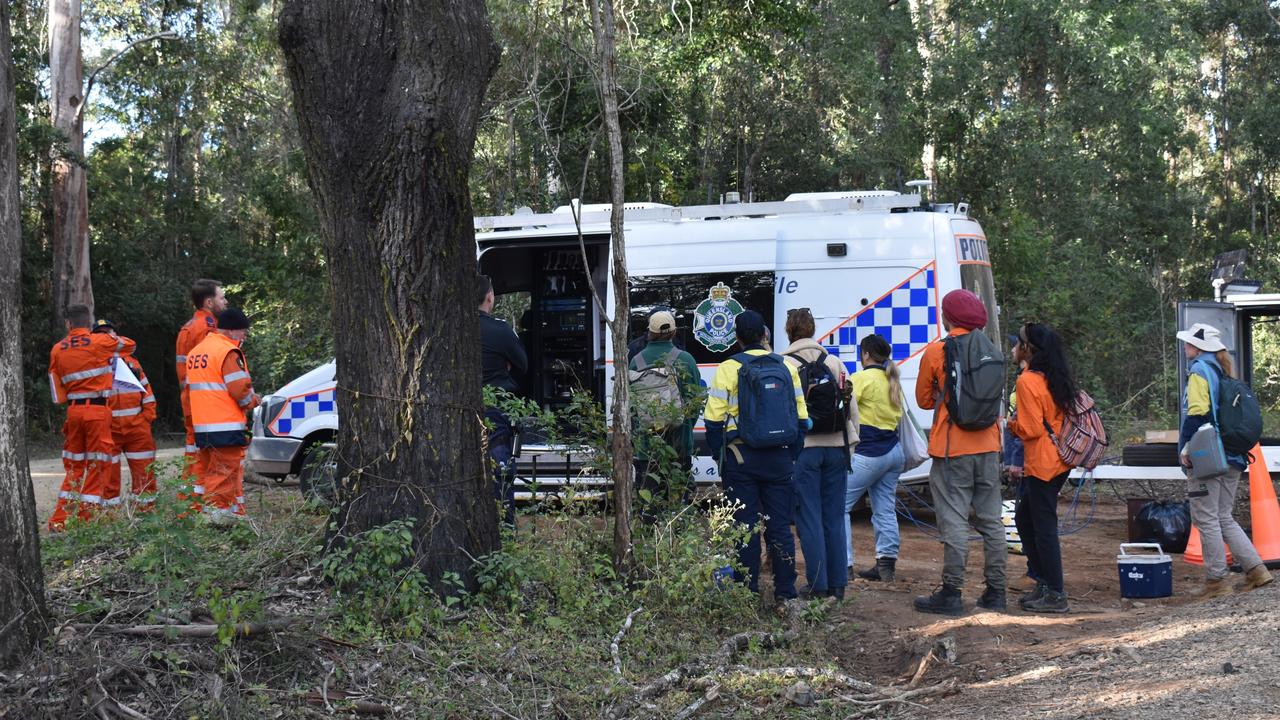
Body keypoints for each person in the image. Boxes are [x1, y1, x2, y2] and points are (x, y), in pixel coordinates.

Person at [704, 310, 809, 601]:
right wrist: (792, 454)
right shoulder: (787, 367)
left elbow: (713, 420)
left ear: (736, 338)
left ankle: (747, 591)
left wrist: (720, 456)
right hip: (779, 458)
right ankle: (786, 593)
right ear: (764, 335)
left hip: (741, 458)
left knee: (745, 526)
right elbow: (802, 418)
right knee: (779, 527)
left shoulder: (728, 368)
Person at [913, 289, 1006, 615]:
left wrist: (944, 391)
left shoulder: (938, 351)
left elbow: (925, 400)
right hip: (989, 446)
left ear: (948, 317)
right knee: (992, 522)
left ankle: (951, 592)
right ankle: (996, 592)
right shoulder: (990, 349)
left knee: (954, 522)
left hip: (953, 449)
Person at [1176, 322, 1275, 598]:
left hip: (1208, 456)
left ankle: (1217, 581)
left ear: (1199, 347)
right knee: (1223, 516)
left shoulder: (1199, 372)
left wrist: (1186, 448)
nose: (1185, 347)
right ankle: (1256, 570)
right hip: (1232, 456)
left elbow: (1197, 413)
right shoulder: (1222, 371)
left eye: (1188, 343)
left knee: (1206, 519)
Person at [783, 308, 858, 599]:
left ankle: (818, 583)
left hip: (805, 450)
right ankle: (838, 584)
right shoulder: (835, 362)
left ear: (789, 331)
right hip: (837, 448)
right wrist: (851, 441)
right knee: (834, 516)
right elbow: (851, 407)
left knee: (809, 517)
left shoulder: (785, 363)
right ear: (813, 330)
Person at [1009, 323, 1076, 613]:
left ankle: (1056, 593)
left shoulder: (1027, 380)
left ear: (1028, 350)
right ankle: (1045, 583)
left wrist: (1008, 424)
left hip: (1043, 463)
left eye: (1018, 342)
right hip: (1060, 460)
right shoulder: (1055, 377)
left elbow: (1031, 428)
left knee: (1043, 528)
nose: (1013, 347)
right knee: (1025, 520)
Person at [47, 305, 122, 531]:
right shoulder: (100, 342)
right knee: (99, 464)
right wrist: (110, 338)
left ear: (68, 324)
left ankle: (60, 521)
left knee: (75, 467)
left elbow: (56, 391)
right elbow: (128, 345)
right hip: (98, 411)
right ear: (89, 324)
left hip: (74, 412)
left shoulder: (57, 349)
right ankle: (86, 519)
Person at [188, 307, 259, 524]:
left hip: (203, 426)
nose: (244, 337)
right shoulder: (227, 352)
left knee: (208, 472)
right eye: (243, 332)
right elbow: (240, 391)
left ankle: (204, 515)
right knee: (223, 474)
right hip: (225, 425)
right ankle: (217, 519)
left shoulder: (197, 352)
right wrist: (254, 401)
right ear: (231, 331)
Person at [630, 309, 700, 521]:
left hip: (646, 448)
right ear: (674, 331)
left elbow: (632, 409)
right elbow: (694, 405)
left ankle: (650, 546)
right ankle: (677, 545)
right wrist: (683, 426)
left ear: (649, 332)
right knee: (679, 507)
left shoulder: (636, 361)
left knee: (649, 505)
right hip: (679, 445)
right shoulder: (685, 359)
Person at [845, 334, 904, 584]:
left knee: (839, 507)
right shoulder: (892, 380)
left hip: (868, 454)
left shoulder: (860, 378)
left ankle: (843, 565)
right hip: (894, 453)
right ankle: (886, 565)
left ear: (866, 354)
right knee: (884, 508)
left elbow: (843, 410)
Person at [479, 274, 528, 526]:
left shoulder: (453, 331)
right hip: (495, 411)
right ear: (490, 297)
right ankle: (504, 530)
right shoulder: (500, 330)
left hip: (463, 411)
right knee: (501, 472)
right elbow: (524, 364)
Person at [94, 320, 158, 508]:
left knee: (144, 473)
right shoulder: (93, 364)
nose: (106, 337)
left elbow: (147, 393)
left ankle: (146, 512)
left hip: (137, 428)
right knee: (108, 476)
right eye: (100, 334)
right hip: (108, 429)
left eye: (109, 333)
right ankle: (110, 515)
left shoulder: (132, 362)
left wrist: (146, 419)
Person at [176, 279, 226, 492]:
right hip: (206, 403)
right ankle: (198, 503)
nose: (225, 301)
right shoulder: (209, 329)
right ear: (208, 302)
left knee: (194, 452)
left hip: (191, 399)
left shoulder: (188, 327)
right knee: (207, 456)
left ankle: (190, 502)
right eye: (221, 297)